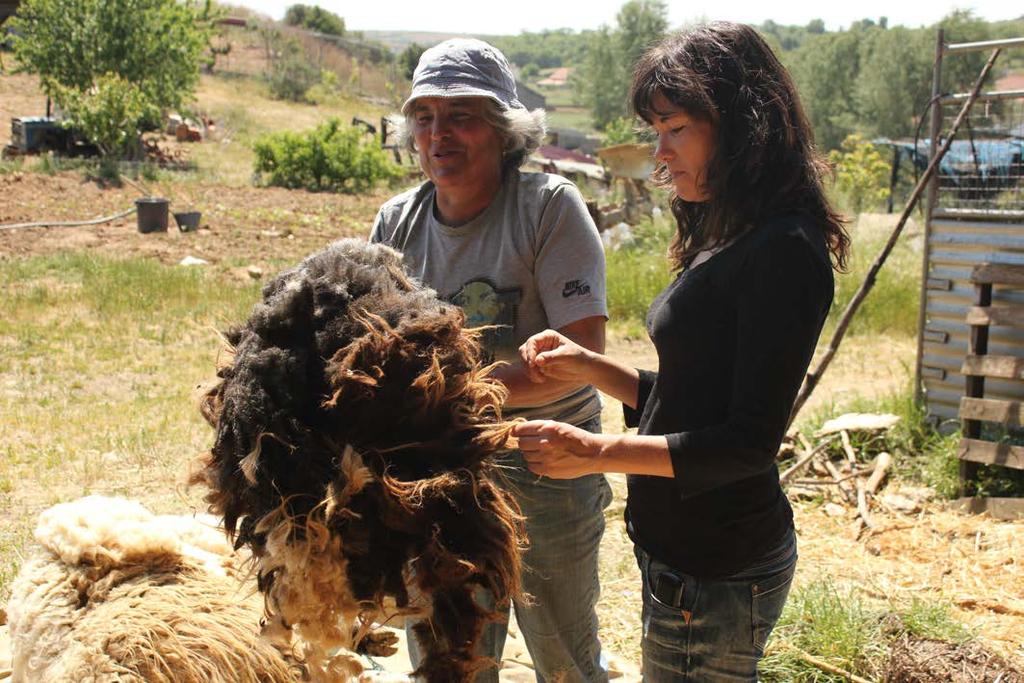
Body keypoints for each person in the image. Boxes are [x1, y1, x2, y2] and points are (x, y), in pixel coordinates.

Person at [513, 22, 851, 682]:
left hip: (717, 570)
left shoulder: (784, 251)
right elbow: (688, 394)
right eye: (656, 131)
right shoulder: (724, 229)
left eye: (676, 129)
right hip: (682, 556)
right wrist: (590, 367)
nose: (659, 154)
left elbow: (746, 441)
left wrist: (595, 454)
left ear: (740, 125)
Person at [369, 38, 611, 682]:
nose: (438, 133)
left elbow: (582, 353)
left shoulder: (548, 208)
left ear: (503, 132)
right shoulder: (395, 224)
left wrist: (432, 394)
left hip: (545, 460)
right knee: (452, 657)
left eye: (462, 116)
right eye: (425, 117)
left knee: (563, 656)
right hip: (440, 469)